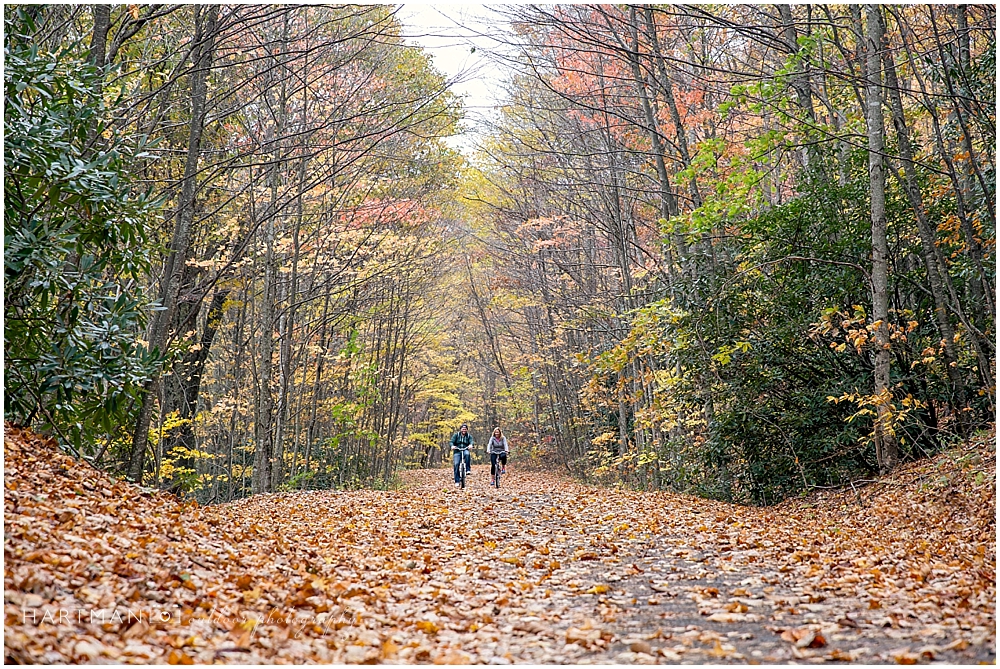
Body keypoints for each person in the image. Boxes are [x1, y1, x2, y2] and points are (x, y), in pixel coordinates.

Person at [450, 424, 474, 488]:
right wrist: (452, 446)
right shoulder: (456, 435)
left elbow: (471, 441)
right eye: (463, 429)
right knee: (456, 464)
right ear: (460, 429)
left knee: (467, 454)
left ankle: (467, 469)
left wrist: (471, 445)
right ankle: (457, 481)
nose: (464, 430)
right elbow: (451, 441)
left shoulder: (469, 436)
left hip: (465, 449)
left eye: (465, 429)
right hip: (457, 450)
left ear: (467, 430)